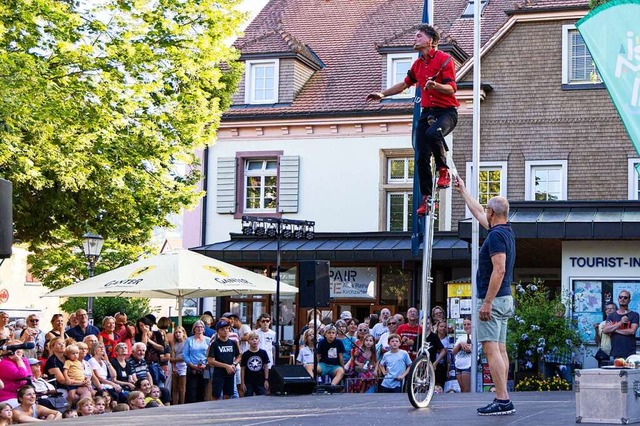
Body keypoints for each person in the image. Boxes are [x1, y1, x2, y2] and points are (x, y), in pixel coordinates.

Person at [367, 23, 458, 216]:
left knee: (434, 133)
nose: (414, 39)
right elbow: (404, 84)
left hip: (446, 113)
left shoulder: (444, 60)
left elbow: (451, 89)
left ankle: (443, 170)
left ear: (430, 41)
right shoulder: (417, 64)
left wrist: (435, 86)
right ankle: (427, 198)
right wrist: (382, 94)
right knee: (420, 156)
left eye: (418, 36)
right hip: (427, 112)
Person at [453, 176, 516, 416]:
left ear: (492, 212)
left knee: (492, 350)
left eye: (487, 210)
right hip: (504, 298)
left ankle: (502, 399)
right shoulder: (504, 230)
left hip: (495, 299)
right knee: (500, 350)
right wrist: (463, 191)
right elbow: (477, 210)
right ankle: (503, 397)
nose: (484, 213)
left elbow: (499, 269)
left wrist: (487, 302)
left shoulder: (497, 236)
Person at [207, 319, 240, 401]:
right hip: (219, 373)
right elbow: (210, 360)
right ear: (218, 331)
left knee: (228, 395)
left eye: (227, 328)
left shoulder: (233, 343)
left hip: (230, 372)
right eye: (222, 329)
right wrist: (225, 366)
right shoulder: (215, 344)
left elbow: (239, 355)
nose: (225, 331)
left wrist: (234, 364)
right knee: (216, 395)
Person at [603, 290, 640, 359]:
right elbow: (605, 330)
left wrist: (614, 330)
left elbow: (632, 331)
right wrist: (620, 323)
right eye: (621, 297)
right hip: (615, 353)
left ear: (629, 300)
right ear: (618, 299)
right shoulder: (611, 316)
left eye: (625, 297)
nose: (622, 299)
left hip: (630, 353)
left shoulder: (634, 315)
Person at [182, 320, 210, 403]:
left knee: (203, 390)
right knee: (191, 391)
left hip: (205, 368)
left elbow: (211, 355)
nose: (199, 328)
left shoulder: (208, 340)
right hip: (192, 368)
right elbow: (185, 355)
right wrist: (192, 365)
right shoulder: (189, 340)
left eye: (201, 327)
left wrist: (206, 365)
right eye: (197, 327)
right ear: (194, 328)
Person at [240, 332, 270, 397]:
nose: (254, 340)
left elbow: (266, 366)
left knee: (262, 398)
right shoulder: (245, 354)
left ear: (259, 340)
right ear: (248, 341)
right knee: (248, 399)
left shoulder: (263, 353)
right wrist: (242, 382)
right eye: (252, 339)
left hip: (260, 381)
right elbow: (242, 369)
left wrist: (266, 380)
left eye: (256, 338)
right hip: (248, 381)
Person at [316, 325, 345, 390]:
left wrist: (343, 367)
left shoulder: (339, 342)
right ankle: (313, 383)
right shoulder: (321, 342)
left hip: (335, 366)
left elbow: (341, 357)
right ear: (325, 334)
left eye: (333, 333)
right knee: (311, 367)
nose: (331, 335)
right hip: (323, 365)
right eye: (329, 333)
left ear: (336, 334)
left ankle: (332, 385)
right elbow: (318, 356)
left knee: (341, 371)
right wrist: (316, 365)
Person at [452, 318, 473, 392]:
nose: (466, 326)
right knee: (462, 390)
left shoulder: (476, 337)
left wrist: (460, 346)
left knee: (466, 390)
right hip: (458, 365)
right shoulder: (461, 337)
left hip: (468, 365)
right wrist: (461, 344)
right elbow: (454, 351)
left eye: (469, 324)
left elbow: (469, 349)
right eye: (464, 324)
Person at [170, 326, 187, 405]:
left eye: (179, 332)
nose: (177, 334)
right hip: (176, 366)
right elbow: (171, 358)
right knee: (175, 387)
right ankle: (175, 404)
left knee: (182, 387)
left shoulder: (187, 343)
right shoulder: (174, 344)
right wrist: (173, 367)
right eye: (176, 332)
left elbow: (185, 357)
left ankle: (182, 403)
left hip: (184, 366)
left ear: (183, 333)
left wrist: (176, 359)